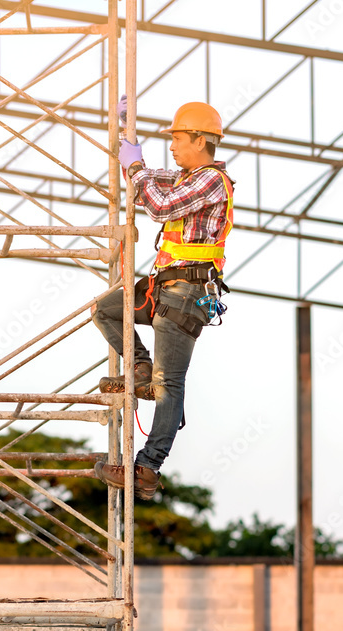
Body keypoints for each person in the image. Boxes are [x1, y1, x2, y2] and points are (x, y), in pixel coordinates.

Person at [92, 100, 234, 500]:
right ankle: (139, 368)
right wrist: (126, 134)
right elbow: (145, 182)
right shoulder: (187, 177)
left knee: (169, 384)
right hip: (165, 286)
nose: (171, 144)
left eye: (177, 137)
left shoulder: (208, 182)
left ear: (201, 140)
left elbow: (158, 205)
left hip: (187, 294)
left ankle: (147, 467)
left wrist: (136, 167)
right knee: (106, 310)